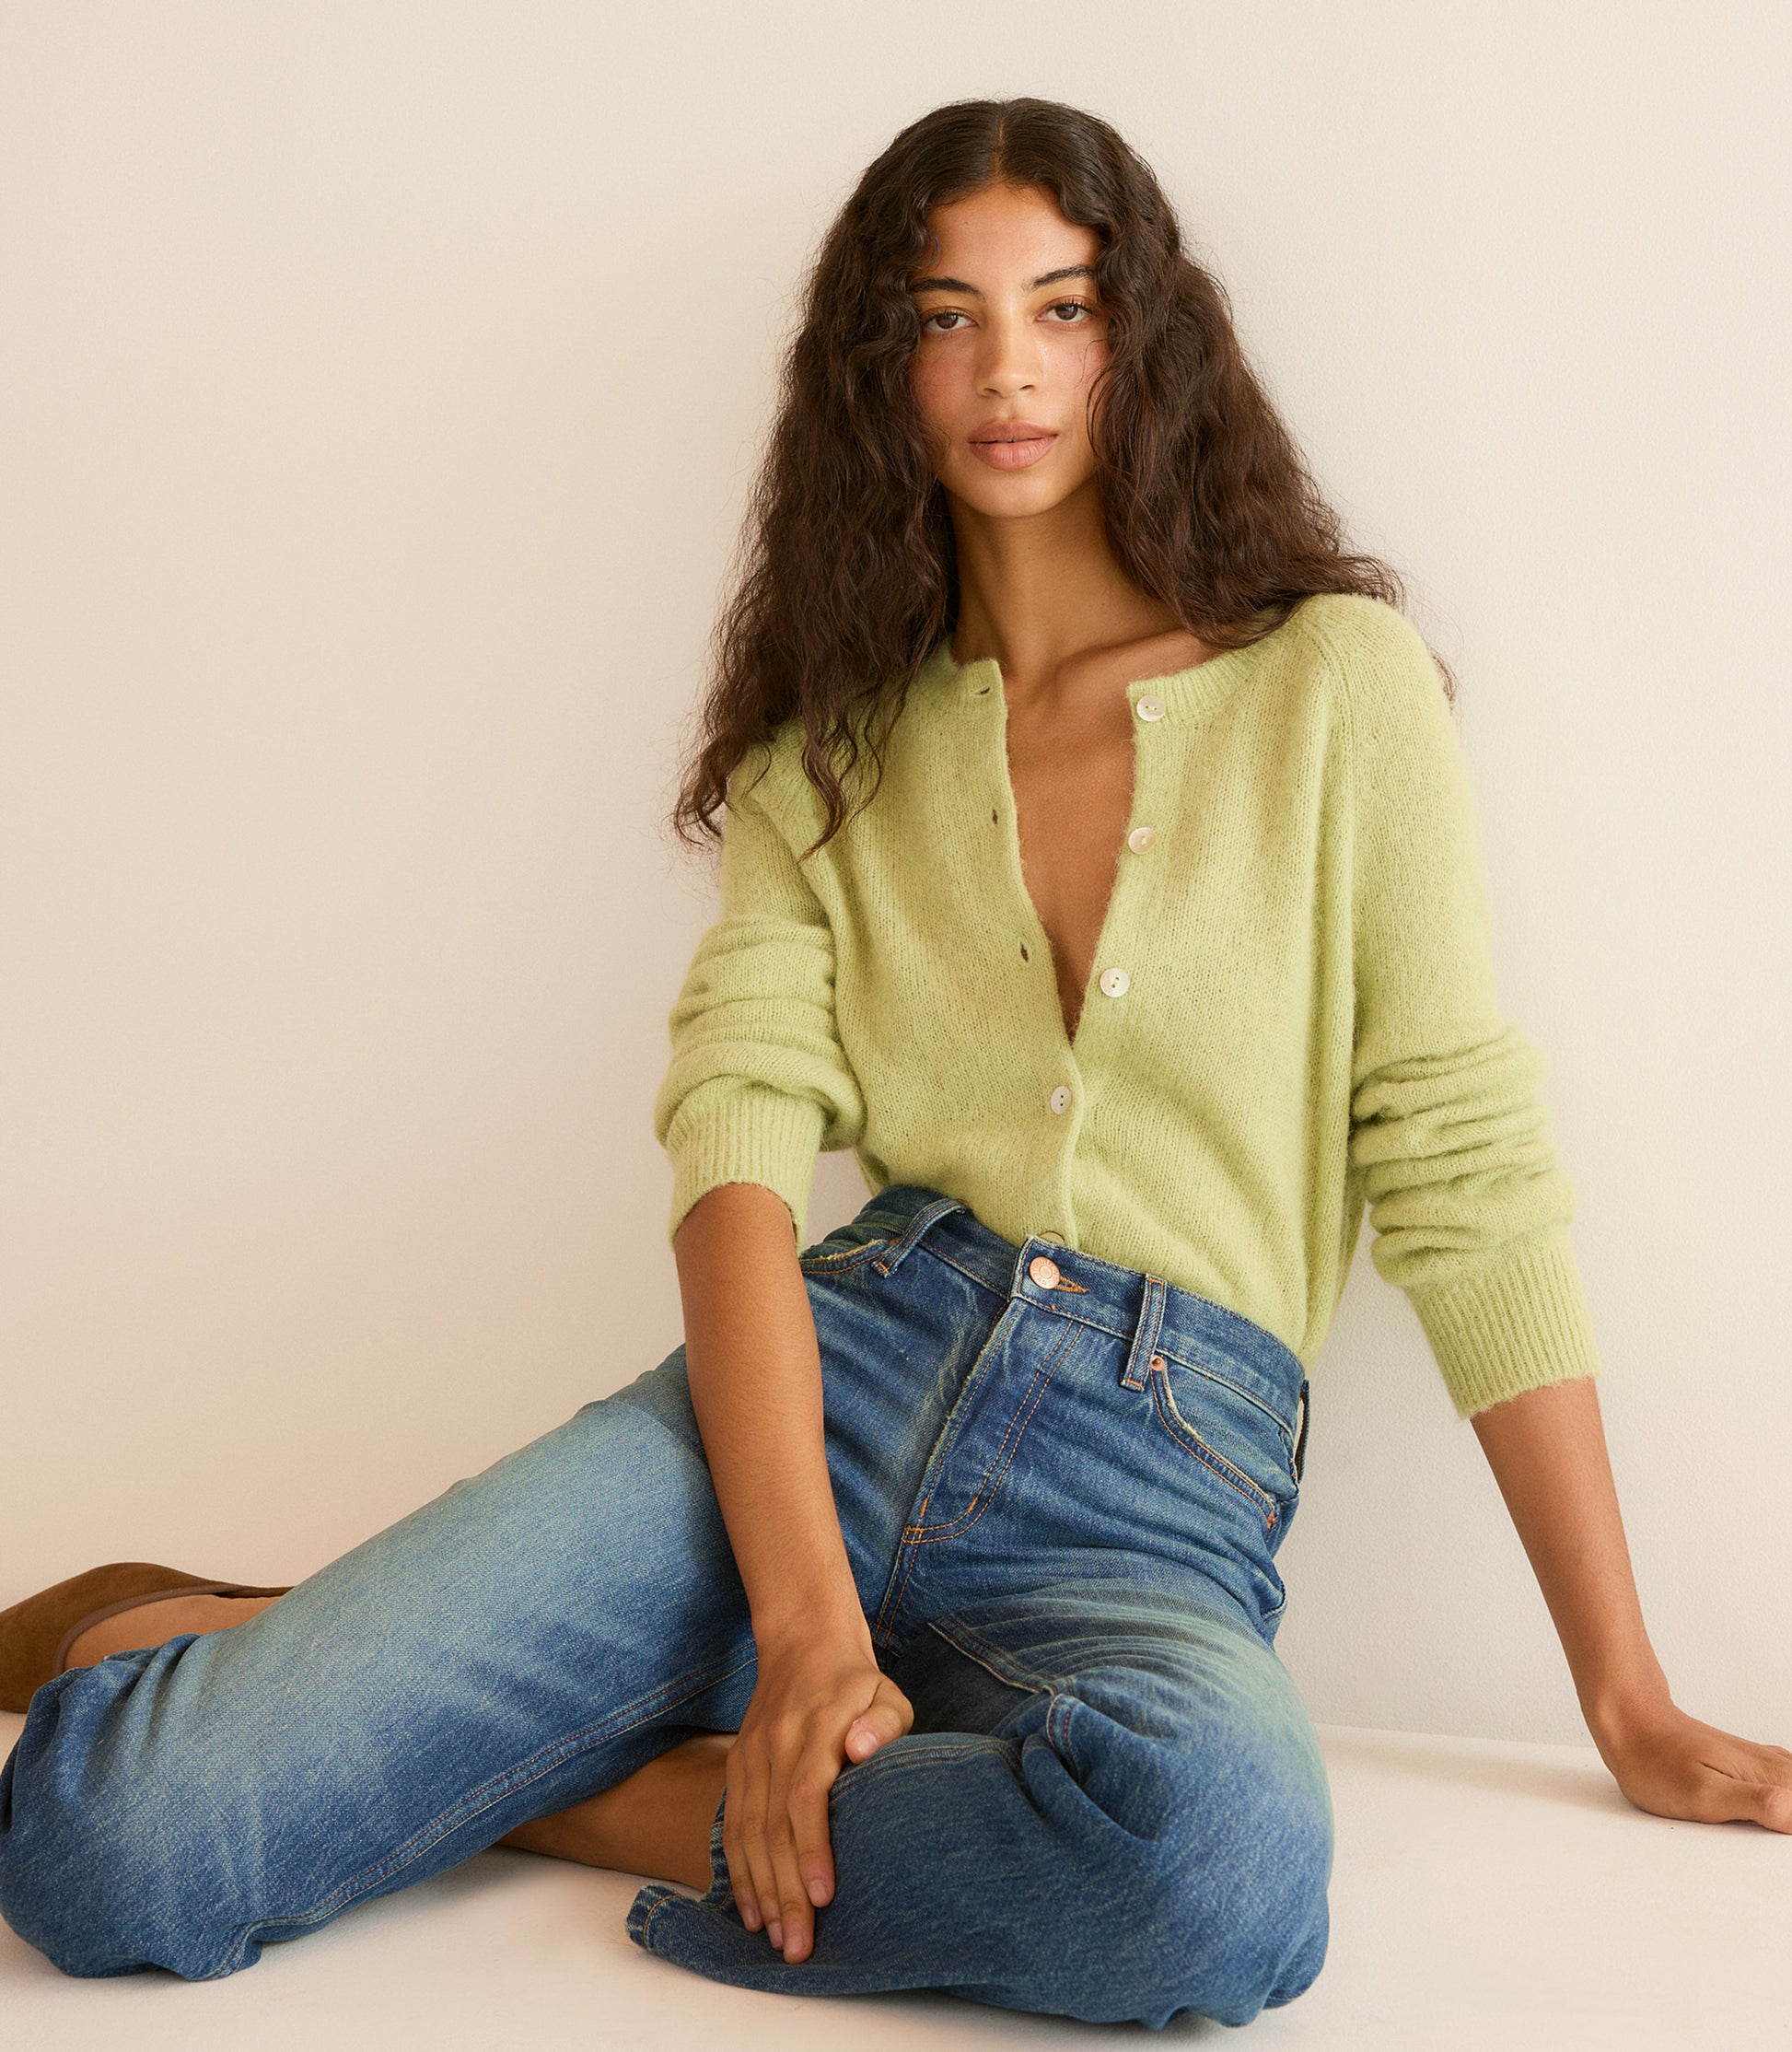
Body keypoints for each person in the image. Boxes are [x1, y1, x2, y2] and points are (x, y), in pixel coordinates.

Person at [1, 95, 1786, 2033]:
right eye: (947, 317)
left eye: (1062, 307)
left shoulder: (1330, 687)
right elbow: (735, 1159)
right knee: (118, 1846)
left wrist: (1623, 1695)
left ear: (1142, 339)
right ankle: (367, 1687)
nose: (1008, 368)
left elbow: (1459, 1167)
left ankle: (538, 1774)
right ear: (882, 365)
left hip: (1152, 1480)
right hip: (820, 1401)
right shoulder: (826, 752)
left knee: (1211, 1868)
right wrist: (804, 1629)